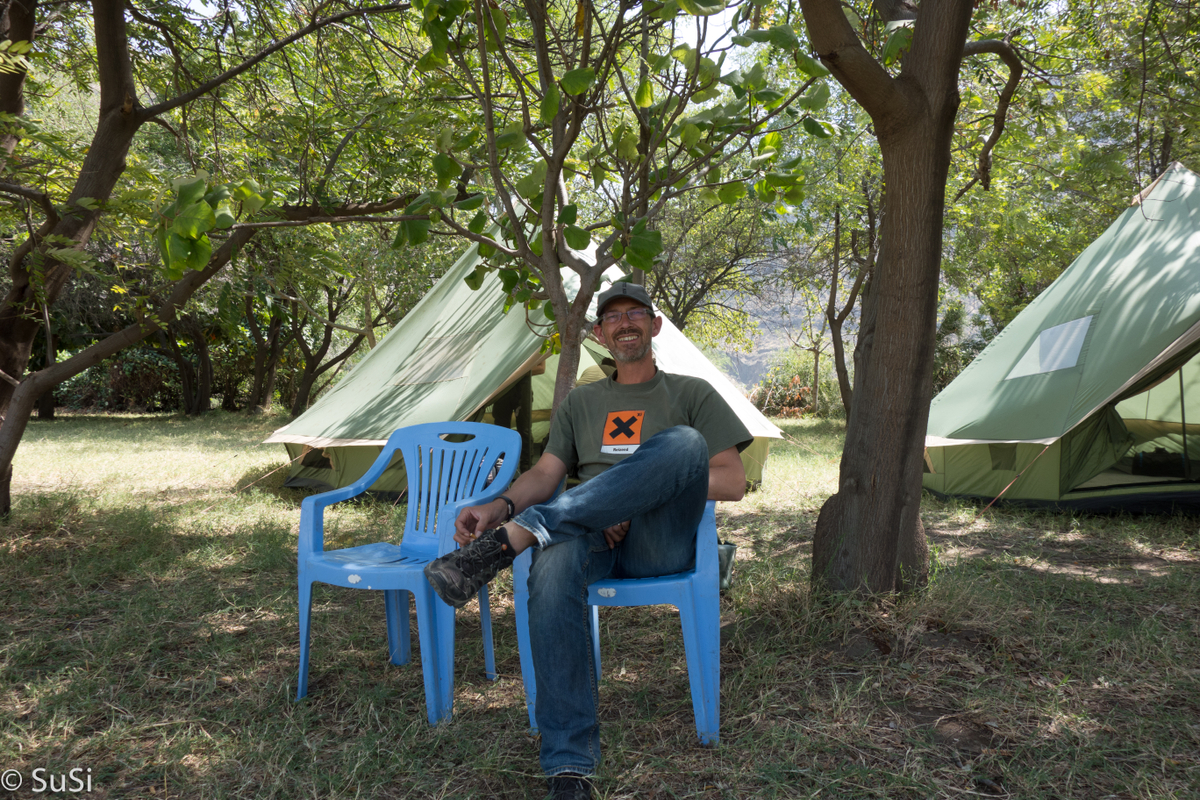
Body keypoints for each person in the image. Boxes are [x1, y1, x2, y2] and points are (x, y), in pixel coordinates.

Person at [424, 282, 752, 800]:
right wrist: (498, 507)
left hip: (657, 542)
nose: (625, 323)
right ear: (600, 333)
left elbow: (732, 480)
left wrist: (625, 500)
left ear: (655, 325)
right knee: (552, 565)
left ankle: (514, 541)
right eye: (613, 317)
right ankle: (568, 766)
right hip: (586, 533)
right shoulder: (581, 401)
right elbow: (545, 475)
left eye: (636, 313)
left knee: (684, 444)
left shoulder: (691, 393)